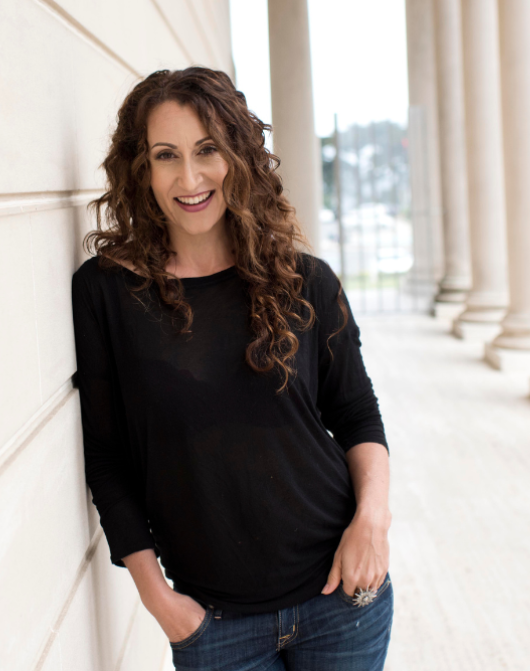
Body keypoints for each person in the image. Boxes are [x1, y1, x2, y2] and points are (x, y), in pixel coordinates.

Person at [71, 67, 392, 671]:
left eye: (207, 150)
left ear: (238, 158)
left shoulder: (305, 281)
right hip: (214, 626)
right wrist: (160, 601)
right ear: (141, 169)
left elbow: (356, 414)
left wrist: (372, 520)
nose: (189, 178)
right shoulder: (107, 294)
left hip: (341, 598)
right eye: (166, 155)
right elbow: (107, 458)